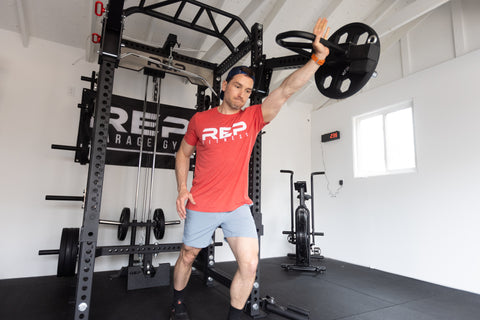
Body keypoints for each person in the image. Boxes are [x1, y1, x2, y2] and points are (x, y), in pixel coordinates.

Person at [171, 17, 331, 320]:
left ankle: (234, 316)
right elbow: (182, 154)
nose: (242, 94)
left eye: (247, 90)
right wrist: (182, 189)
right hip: (202, 203)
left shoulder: (252, 118)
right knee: (188, 255)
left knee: (249, 265)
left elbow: (285, 90)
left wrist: (317, 59)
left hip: (236, 207)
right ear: (225, 85)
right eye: (237, 86)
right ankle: (178, 302)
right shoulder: (200, 121)